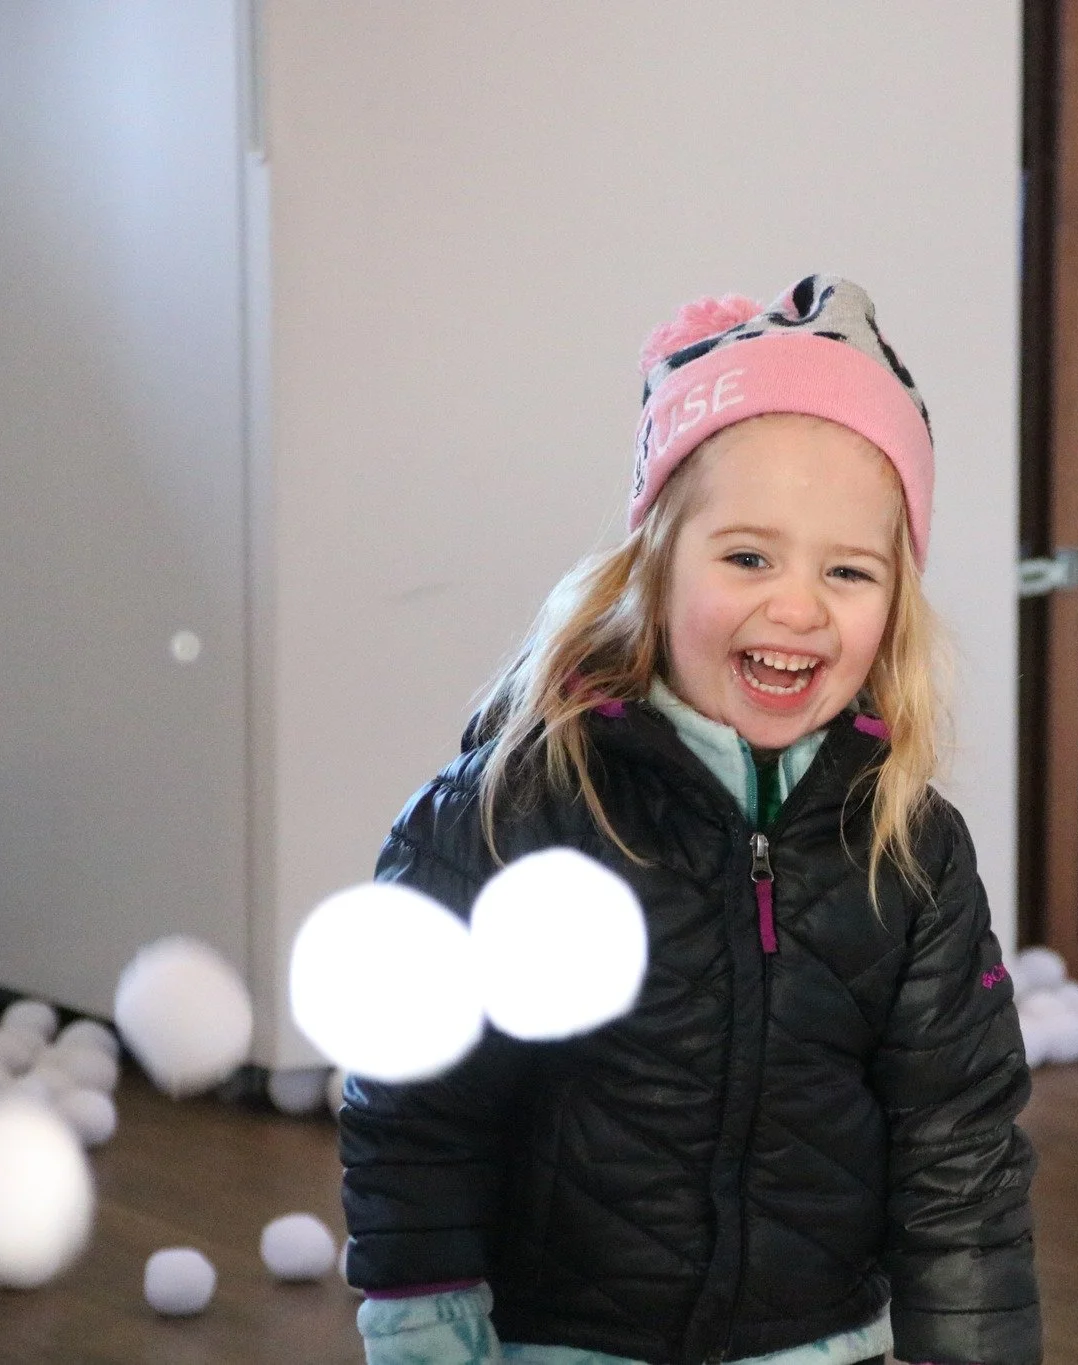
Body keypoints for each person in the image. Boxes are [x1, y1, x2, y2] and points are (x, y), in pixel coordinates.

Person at [340, 275, 1040, 1365]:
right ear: (653, 566)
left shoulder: (910, 852)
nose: (796, 606)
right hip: (563, 1343)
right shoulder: (521, 808)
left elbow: (957, 1145)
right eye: (747, 556)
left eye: (847, 571)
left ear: (894, 607)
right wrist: (431, 1329)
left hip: (813, 1345)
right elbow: (417, 1099)